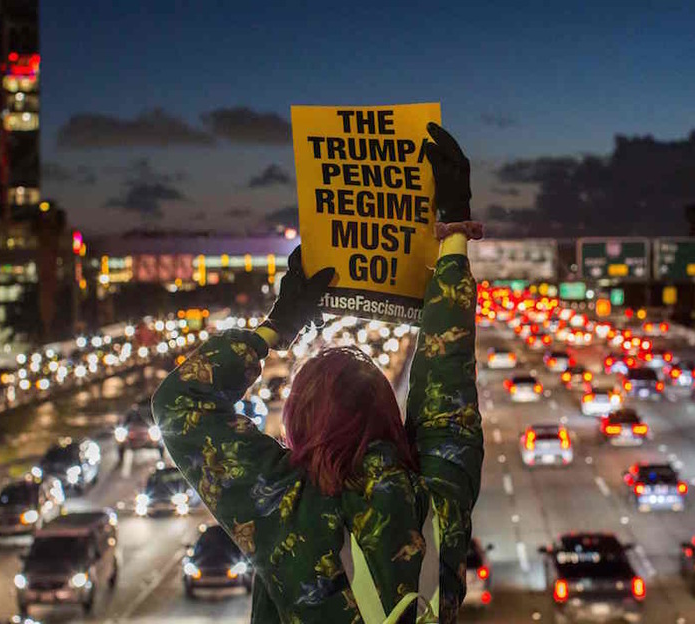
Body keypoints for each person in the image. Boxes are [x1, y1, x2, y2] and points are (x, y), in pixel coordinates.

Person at [152, 122, 483, 623]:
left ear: (301, 422)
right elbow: (447, 375)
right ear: (388, 415)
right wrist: (453, 229)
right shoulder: (439, 501)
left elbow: (179, 402)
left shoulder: (284, 508)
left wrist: (276, 327)